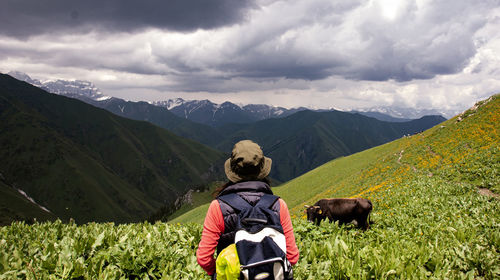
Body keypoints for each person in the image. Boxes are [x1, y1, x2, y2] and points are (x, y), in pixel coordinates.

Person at [196, 140, 300, 279]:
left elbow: (203, 258)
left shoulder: (218, 207)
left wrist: (219, 272)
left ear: (233, 171)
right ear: (262, 170)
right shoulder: (279, 205)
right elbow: (292, 257)